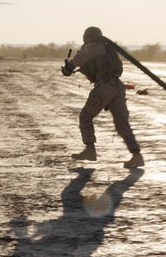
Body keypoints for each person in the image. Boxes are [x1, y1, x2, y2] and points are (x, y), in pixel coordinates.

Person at [61, 26, 144, 168]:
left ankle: (90, 150)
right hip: (117, 86)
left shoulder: (94, 46)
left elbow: (81, 58)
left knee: (85, 116)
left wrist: (70, 66)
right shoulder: (107, 49)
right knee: (121, 122)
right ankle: (136, 155)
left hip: (105, 85)